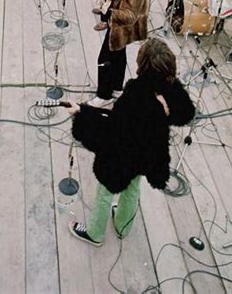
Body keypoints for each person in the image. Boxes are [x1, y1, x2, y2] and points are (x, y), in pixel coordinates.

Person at [65, 37, 195, 246]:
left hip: (124, 153)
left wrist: (81, 113)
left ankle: (95, 233)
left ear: (142, 65)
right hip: (148, 152)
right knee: (133, 189)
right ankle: (122, 227)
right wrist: (168, 111)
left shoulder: (135, 95)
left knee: (105, 192)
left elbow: (111, 132)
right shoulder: (170, 87)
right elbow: (187, 112)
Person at [88, 0, 149, 107]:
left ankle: (104, 95)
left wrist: (105, 9)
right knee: (119, 55)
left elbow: (130, 16)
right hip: (118, 24)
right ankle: (116, 88)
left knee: (104, 59)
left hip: (124, 26)